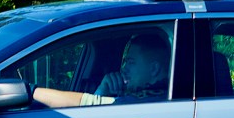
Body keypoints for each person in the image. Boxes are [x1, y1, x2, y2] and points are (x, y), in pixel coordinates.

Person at [33, 33, 170, 108]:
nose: (124, 68)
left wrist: (31, 92)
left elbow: (87, 106)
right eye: (124, 62)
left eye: (131, 62)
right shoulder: (166, 94)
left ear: (154, 69)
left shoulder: (150, 99)